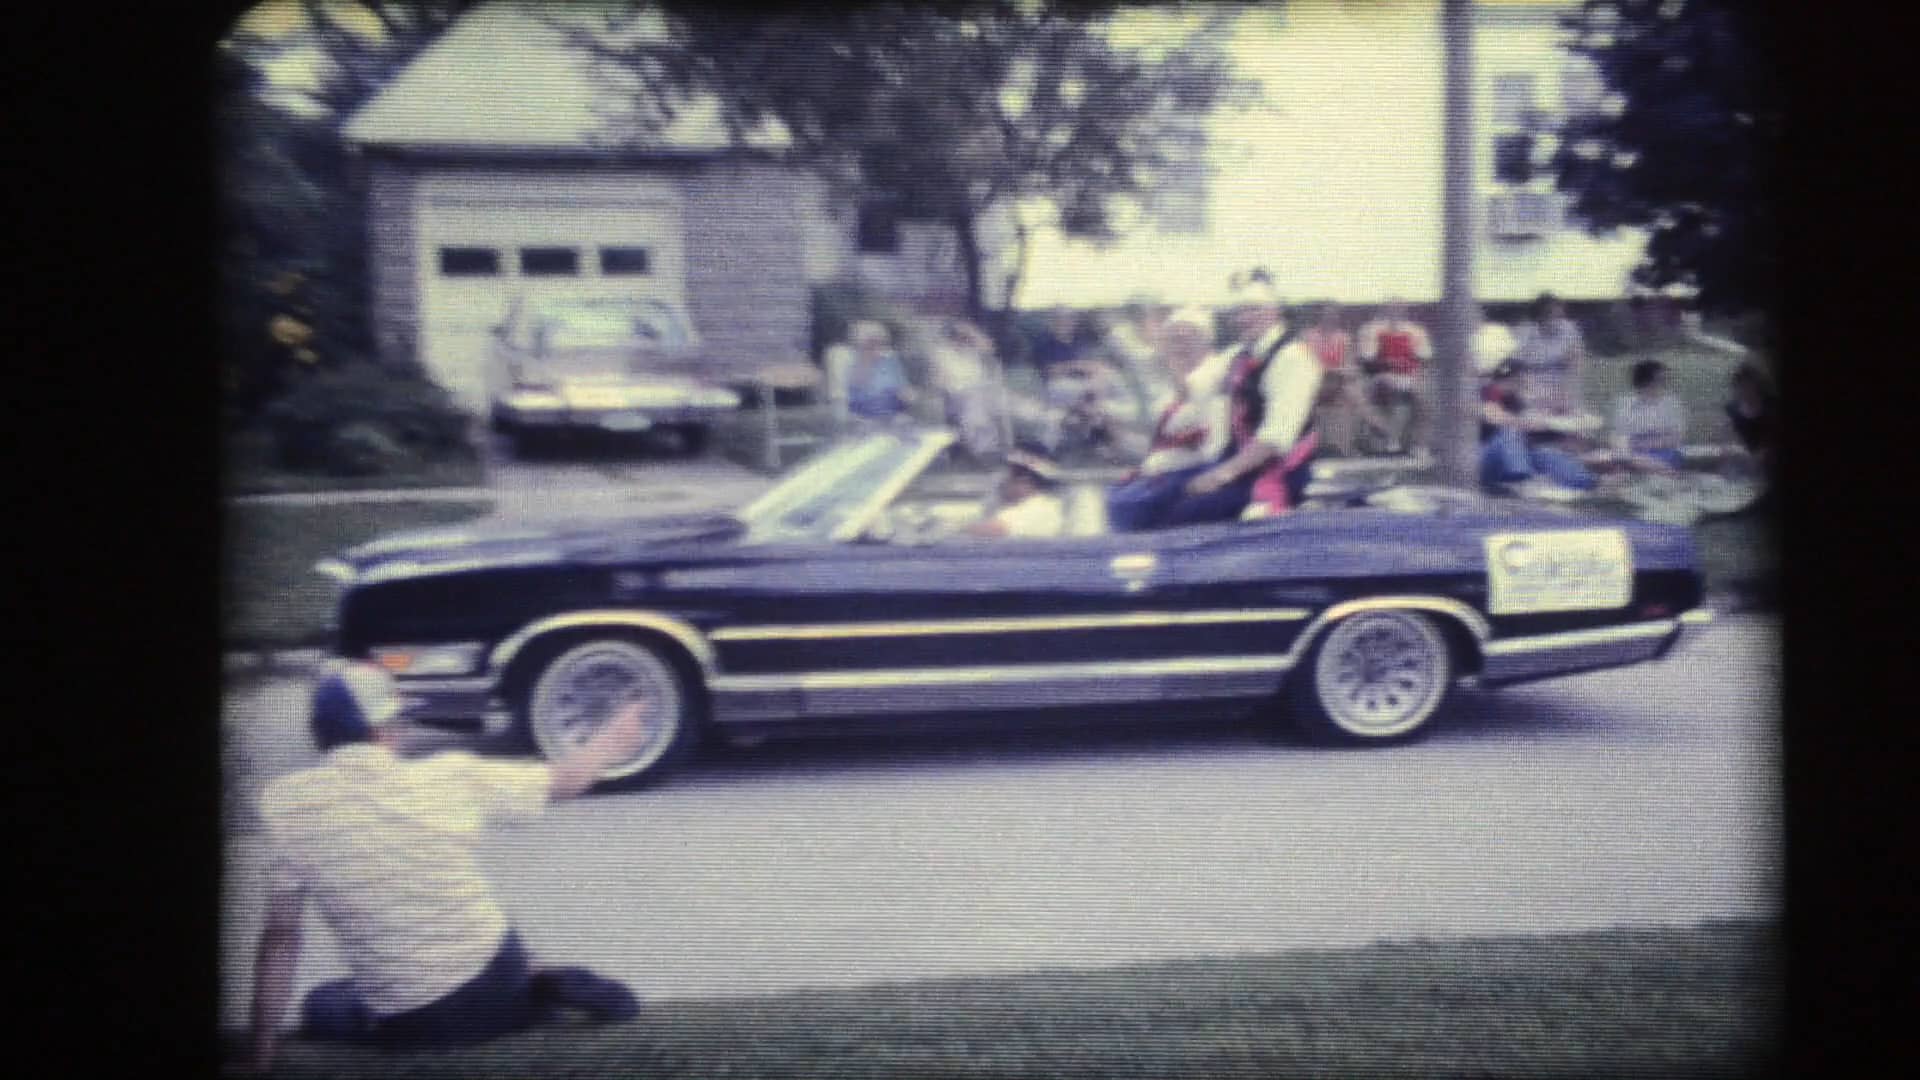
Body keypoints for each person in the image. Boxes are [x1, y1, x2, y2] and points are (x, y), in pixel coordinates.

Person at [245, 662, 648, 1073]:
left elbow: (280, 939)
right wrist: (610, 742)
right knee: (474, 919)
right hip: (497, 978)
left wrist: (260, 1056)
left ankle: (524, 989)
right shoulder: (450, 777)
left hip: (414, 1025)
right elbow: (564, 782)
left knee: (322, 1004)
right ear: (383, 729)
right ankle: (529, 982)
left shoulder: (285, 805)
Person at [1161, 269, 1323, 525]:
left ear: (1274, 312)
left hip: (1278, 472)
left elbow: (1275, 440)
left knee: (1187, 512)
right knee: (1155, 496)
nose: (1244, 318)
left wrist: (1220, 475)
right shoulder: (1239, 355)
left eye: (1253, 310)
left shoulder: (1294, 357)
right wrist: (1179, 345)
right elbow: (1194, 386)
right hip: (1242, 467)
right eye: (1239, 312)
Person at [1105, 306, 1230, 532]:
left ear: (1205, 342)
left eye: (1188, 338)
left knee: (1128, 504)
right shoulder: (1169, 385)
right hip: (1165, 470)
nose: (1181, 346)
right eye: (1175, 339)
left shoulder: (1214, 377)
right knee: (1117, 496)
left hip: (1197, 472)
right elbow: (1156, 432)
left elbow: (1212, 445)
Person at [1479, 360, 1596, 500]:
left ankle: (1584, 482)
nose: (1521, 384)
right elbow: (1494, 416)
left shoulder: (1516, 400)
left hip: (1514, 454)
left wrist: (1558, 425)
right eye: (1518, 380)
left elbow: (1534, 425)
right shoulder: (1487, 392)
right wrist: (1529, 422)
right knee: (1510, 434)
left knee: (1545, 453)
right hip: (1486, 457)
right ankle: (1522, 481)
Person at [1303, 301, 1388, 457]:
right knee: (1350, 390)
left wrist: (1339, 371)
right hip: (1316, 384)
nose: (1330, 318)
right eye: (1326, 314)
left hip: (1338, 384)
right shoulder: (1309, 337)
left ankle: (1349, 447)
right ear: (1319, 316)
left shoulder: (1344, 338)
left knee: (1350, 390)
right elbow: (1310, 366)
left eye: (1333, 315)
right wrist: (1335, 370)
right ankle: (1379, 426)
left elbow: (1350, 366)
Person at [1357, 298, 1434, 453]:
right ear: (1385, 309)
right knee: (1391, 387)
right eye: (1392, 308)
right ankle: (1390, 438)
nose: (1396, 311)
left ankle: (1419, 444)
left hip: (1409, 376)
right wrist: (1388, 365)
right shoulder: (1373, 330)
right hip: (1381, 376)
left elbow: (1424, 357)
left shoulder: (1415, 331)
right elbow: (1367, 359)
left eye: (1399, 308)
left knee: (1424, 394)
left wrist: (1415, 372)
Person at [929, 318, 1005, 460]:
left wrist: (972, 332)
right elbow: (944, 382)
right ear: (950, 337)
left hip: (981, 393)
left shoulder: (972, 351)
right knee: (974, 408)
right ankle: (984, 451)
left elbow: (990, 347)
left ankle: (988, 448)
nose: (962, 339)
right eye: (958, 336)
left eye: (965, 337)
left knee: (995, 402)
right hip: (956, 396)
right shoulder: (942, 353)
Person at [963, 442, 1067, 538]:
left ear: (1024, 480)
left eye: (1009, 473)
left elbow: (994, 529)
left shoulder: (1040, 509)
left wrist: (955, 528)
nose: (1002, 481)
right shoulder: (1024, 505)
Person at [1510, 292, 1586, 416]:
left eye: (1560, 315)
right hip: (1532, 389)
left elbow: (1576, 365)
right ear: (1539, 316)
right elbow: (1516, 370)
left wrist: (1566, 393)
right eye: (1550, 315)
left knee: (1573, 417)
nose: (1557, 320)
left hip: (1562, 388)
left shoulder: (1569, 330)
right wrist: (1537, 395)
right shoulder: (1523, 332)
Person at [1608, 359, 1688, 473]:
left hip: (1664, 452)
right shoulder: (1625, 404)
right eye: (1659, 380)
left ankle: (1663, 470)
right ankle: (1664, 471)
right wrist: (1624, 447)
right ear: (1644, 382)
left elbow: (1675, 438)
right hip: (1632, 453)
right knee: (1621, 458)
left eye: (1664, 381)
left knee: (1631, 461)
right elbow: (1618, 435)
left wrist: (1645, 444)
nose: (1663, 385)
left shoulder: (1671, 404)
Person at [842, 320, 914, 425]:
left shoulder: (890, 361)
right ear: (859, 346)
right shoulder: (852, 363)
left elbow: (904, 391)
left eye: (881, 343)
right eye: (871, 344)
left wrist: (908, 395)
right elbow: (854, 402)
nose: (877, 349)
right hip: (863, 422)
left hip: (893, 419)